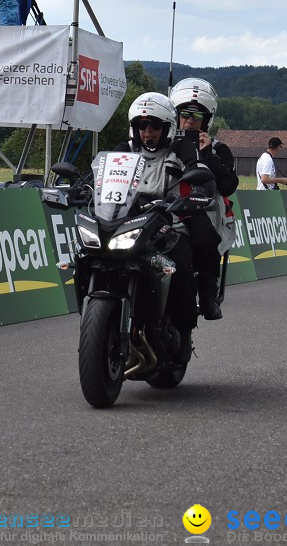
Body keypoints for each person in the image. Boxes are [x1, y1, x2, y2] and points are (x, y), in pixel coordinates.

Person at [115, 92, 199, 364]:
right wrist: (81, 188)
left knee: (181, 263)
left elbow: (198, 174)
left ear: (167, 128)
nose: (147, 132)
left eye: (154, 126)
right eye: (142, 126)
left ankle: (183, 331)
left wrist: (196, 192)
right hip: (127, 222)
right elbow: (96, 176)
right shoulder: (124, 149)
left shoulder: (181, 149)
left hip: (168, 222)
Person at [170, 77, 238, 321]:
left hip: (202, 212)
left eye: (196, 115)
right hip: (164, 209)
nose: (189, 120)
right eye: (184, 113)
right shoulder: (164, 143)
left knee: (204, 239)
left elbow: (229, 186)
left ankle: (208, 297)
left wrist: (207, 154)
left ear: (206, 120)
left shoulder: (218, 149)